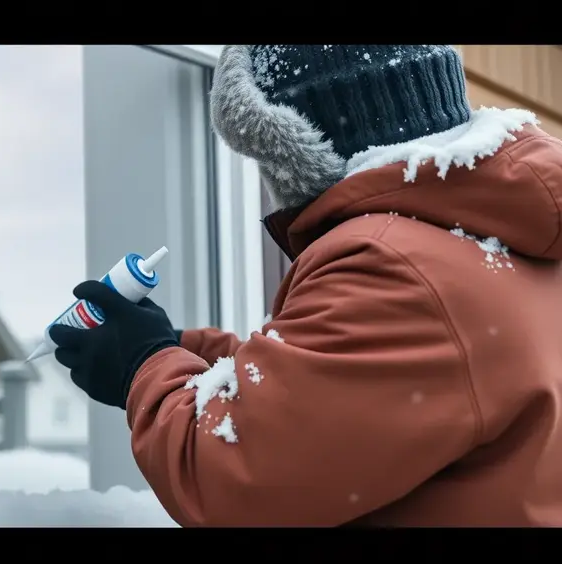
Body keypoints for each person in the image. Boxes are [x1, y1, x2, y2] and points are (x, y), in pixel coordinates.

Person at [49, 45, 562, 527]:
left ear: (301, 144)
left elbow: (232, 478)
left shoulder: (391, 262)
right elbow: (343, 384)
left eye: (265, 158)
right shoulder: (492, 228)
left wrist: (143, 364)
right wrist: (179, 349)